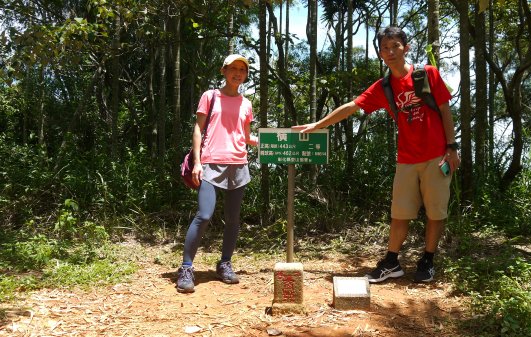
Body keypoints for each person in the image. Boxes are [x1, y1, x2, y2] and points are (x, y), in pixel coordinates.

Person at [292, 26, 460, 283]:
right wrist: (318, 125)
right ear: (380, 53)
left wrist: (452, 148)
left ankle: (428, 260)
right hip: (406, 158)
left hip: (436, 156)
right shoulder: (384, 87)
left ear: (406, 47)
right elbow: (352, 106)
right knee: (399, 212)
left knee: (435, 212)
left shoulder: (427, 74)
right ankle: (392, 261)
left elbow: (445, 110)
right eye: (385, 48)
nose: (391, 52)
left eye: (395, 46)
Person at [176, 54, 258, 293]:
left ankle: (224, 264)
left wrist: (271, 140)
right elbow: (198, 129)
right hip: (211, 163)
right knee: (204, 214)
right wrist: (198, 162)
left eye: (242, 69)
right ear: (223, 70)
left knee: (233, 220)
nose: (238, 73)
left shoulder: (246, 103)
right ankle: (186, 268)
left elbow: (244, 135)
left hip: (238, 164)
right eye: (233, 68)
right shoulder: (210, 96)